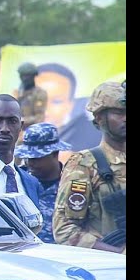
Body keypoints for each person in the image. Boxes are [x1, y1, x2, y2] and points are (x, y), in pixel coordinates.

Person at [53, 81, 126, 253]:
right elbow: (64, 230)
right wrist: (117, 254)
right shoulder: (85, 164)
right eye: (119, 113)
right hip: (110, 270)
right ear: (99, 117)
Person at [15, 122, 71, 243]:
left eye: (37, 158)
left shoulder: (73, 183)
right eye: (28, 158)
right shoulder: (17, 180)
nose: (31, 163)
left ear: (55, 154)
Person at [36, 62, 102, 150]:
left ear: (70, 105)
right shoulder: (13, 138)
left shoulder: (93, 144)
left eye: (56, 101)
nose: (45, 110)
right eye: (37, 99)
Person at [15, 62, 48, 129]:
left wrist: (23, 120)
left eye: (27, 76)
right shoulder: (18, 93)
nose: (24, 78)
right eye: (22, 75)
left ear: (33, 76)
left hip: (32, 131)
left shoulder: (39, 93)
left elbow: (39, 118)